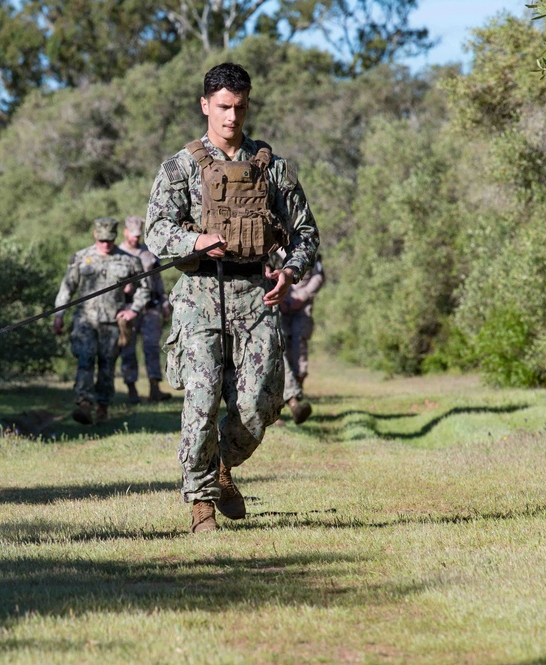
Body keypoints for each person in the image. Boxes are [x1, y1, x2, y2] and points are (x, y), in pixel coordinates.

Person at [145, 62, 319, 533]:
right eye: (223, 107)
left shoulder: (272, 168)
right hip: (200, 294)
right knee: (201, 401)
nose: (231, 117)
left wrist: (289, 270)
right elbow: (156, 230)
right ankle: (200, 499)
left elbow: (305, 233)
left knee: (262, 405)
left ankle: (221, 463)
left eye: (239, 107)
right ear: (205, 105)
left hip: (256, 297)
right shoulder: (180, 167)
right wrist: (194, 242)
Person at [53, 217, 150, 425]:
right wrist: (59, 315)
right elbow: (67, 288)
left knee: (107, 366)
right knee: (85, 360)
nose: (106, 244)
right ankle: (84, 404)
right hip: (85, 321)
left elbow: (144, 288)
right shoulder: (80, 258)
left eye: (110, 240)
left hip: (112, 323)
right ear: (95, 235)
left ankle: (103, 407)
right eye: (102, 240)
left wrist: (132, 310)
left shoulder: (129, 261)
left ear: (115, 237)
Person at [118, 215, 172, 404]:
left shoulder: (149, 253)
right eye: (132, 235)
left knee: (151, 347)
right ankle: (131, 390)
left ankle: (154, 388)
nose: (135, 238)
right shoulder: (118, 254)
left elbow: (157, 281)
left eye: (138, 235)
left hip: (150, 308)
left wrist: (164, 302)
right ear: (125, 233)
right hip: (128, 307)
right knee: (128, 349)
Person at [279, 253, 324, 424]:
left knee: (299, 358)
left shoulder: (307, 245)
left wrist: (302, 296)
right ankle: (289, 405)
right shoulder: (272, 246)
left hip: (302, 310)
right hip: (278, 306)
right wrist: (280, 297)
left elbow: (318, 276)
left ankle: (295, 402)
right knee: (279, 355)